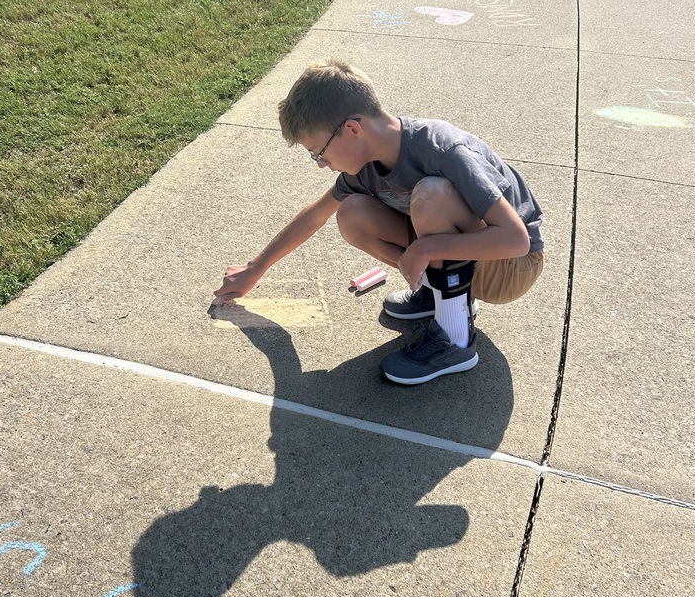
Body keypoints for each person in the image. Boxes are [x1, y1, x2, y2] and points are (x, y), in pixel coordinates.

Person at [214, 60, 544, 385]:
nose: (320, 163)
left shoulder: (441, 149)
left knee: (432, 195)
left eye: (319, 152)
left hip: (511, 266)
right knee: (352, 213)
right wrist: (255, 268)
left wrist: (427, 247)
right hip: (470, 259)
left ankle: (455, 340)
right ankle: (440, 298)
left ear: (352, 129)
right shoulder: (367, 166)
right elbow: (315, 215)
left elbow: (517, 240)